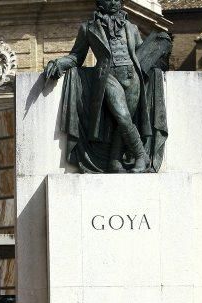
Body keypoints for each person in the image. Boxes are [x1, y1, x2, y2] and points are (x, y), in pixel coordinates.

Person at [44, 0, 149, 173]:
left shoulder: (132, 28)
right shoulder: (88, 28)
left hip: (133, 76)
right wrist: (59, 64)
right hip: (107, 76)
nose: (115, 2)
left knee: (123, 121)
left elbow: (141, 53)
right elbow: (77, 56)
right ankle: (141, 155)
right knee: (122, 116)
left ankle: (115, 161)